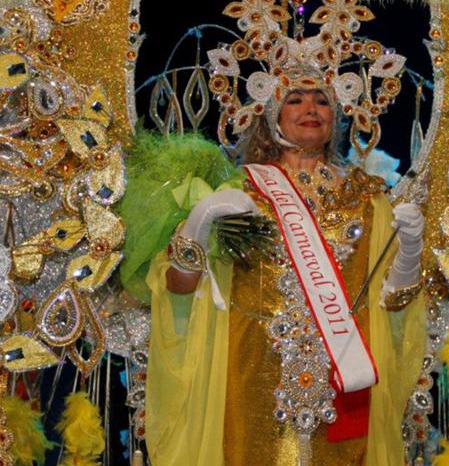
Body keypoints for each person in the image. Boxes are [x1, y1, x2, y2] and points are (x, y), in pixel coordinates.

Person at [144, 69, 426, 466]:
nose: (311, 108)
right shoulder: (240, 194)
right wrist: (199, 224)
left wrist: (410, 251)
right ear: (271, 114)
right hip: (252, 377)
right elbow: (178, 291)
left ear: (337, 116)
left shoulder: (367, 198)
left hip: (344, 382)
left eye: (322, 100)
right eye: (295, 99)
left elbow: (394, 311)